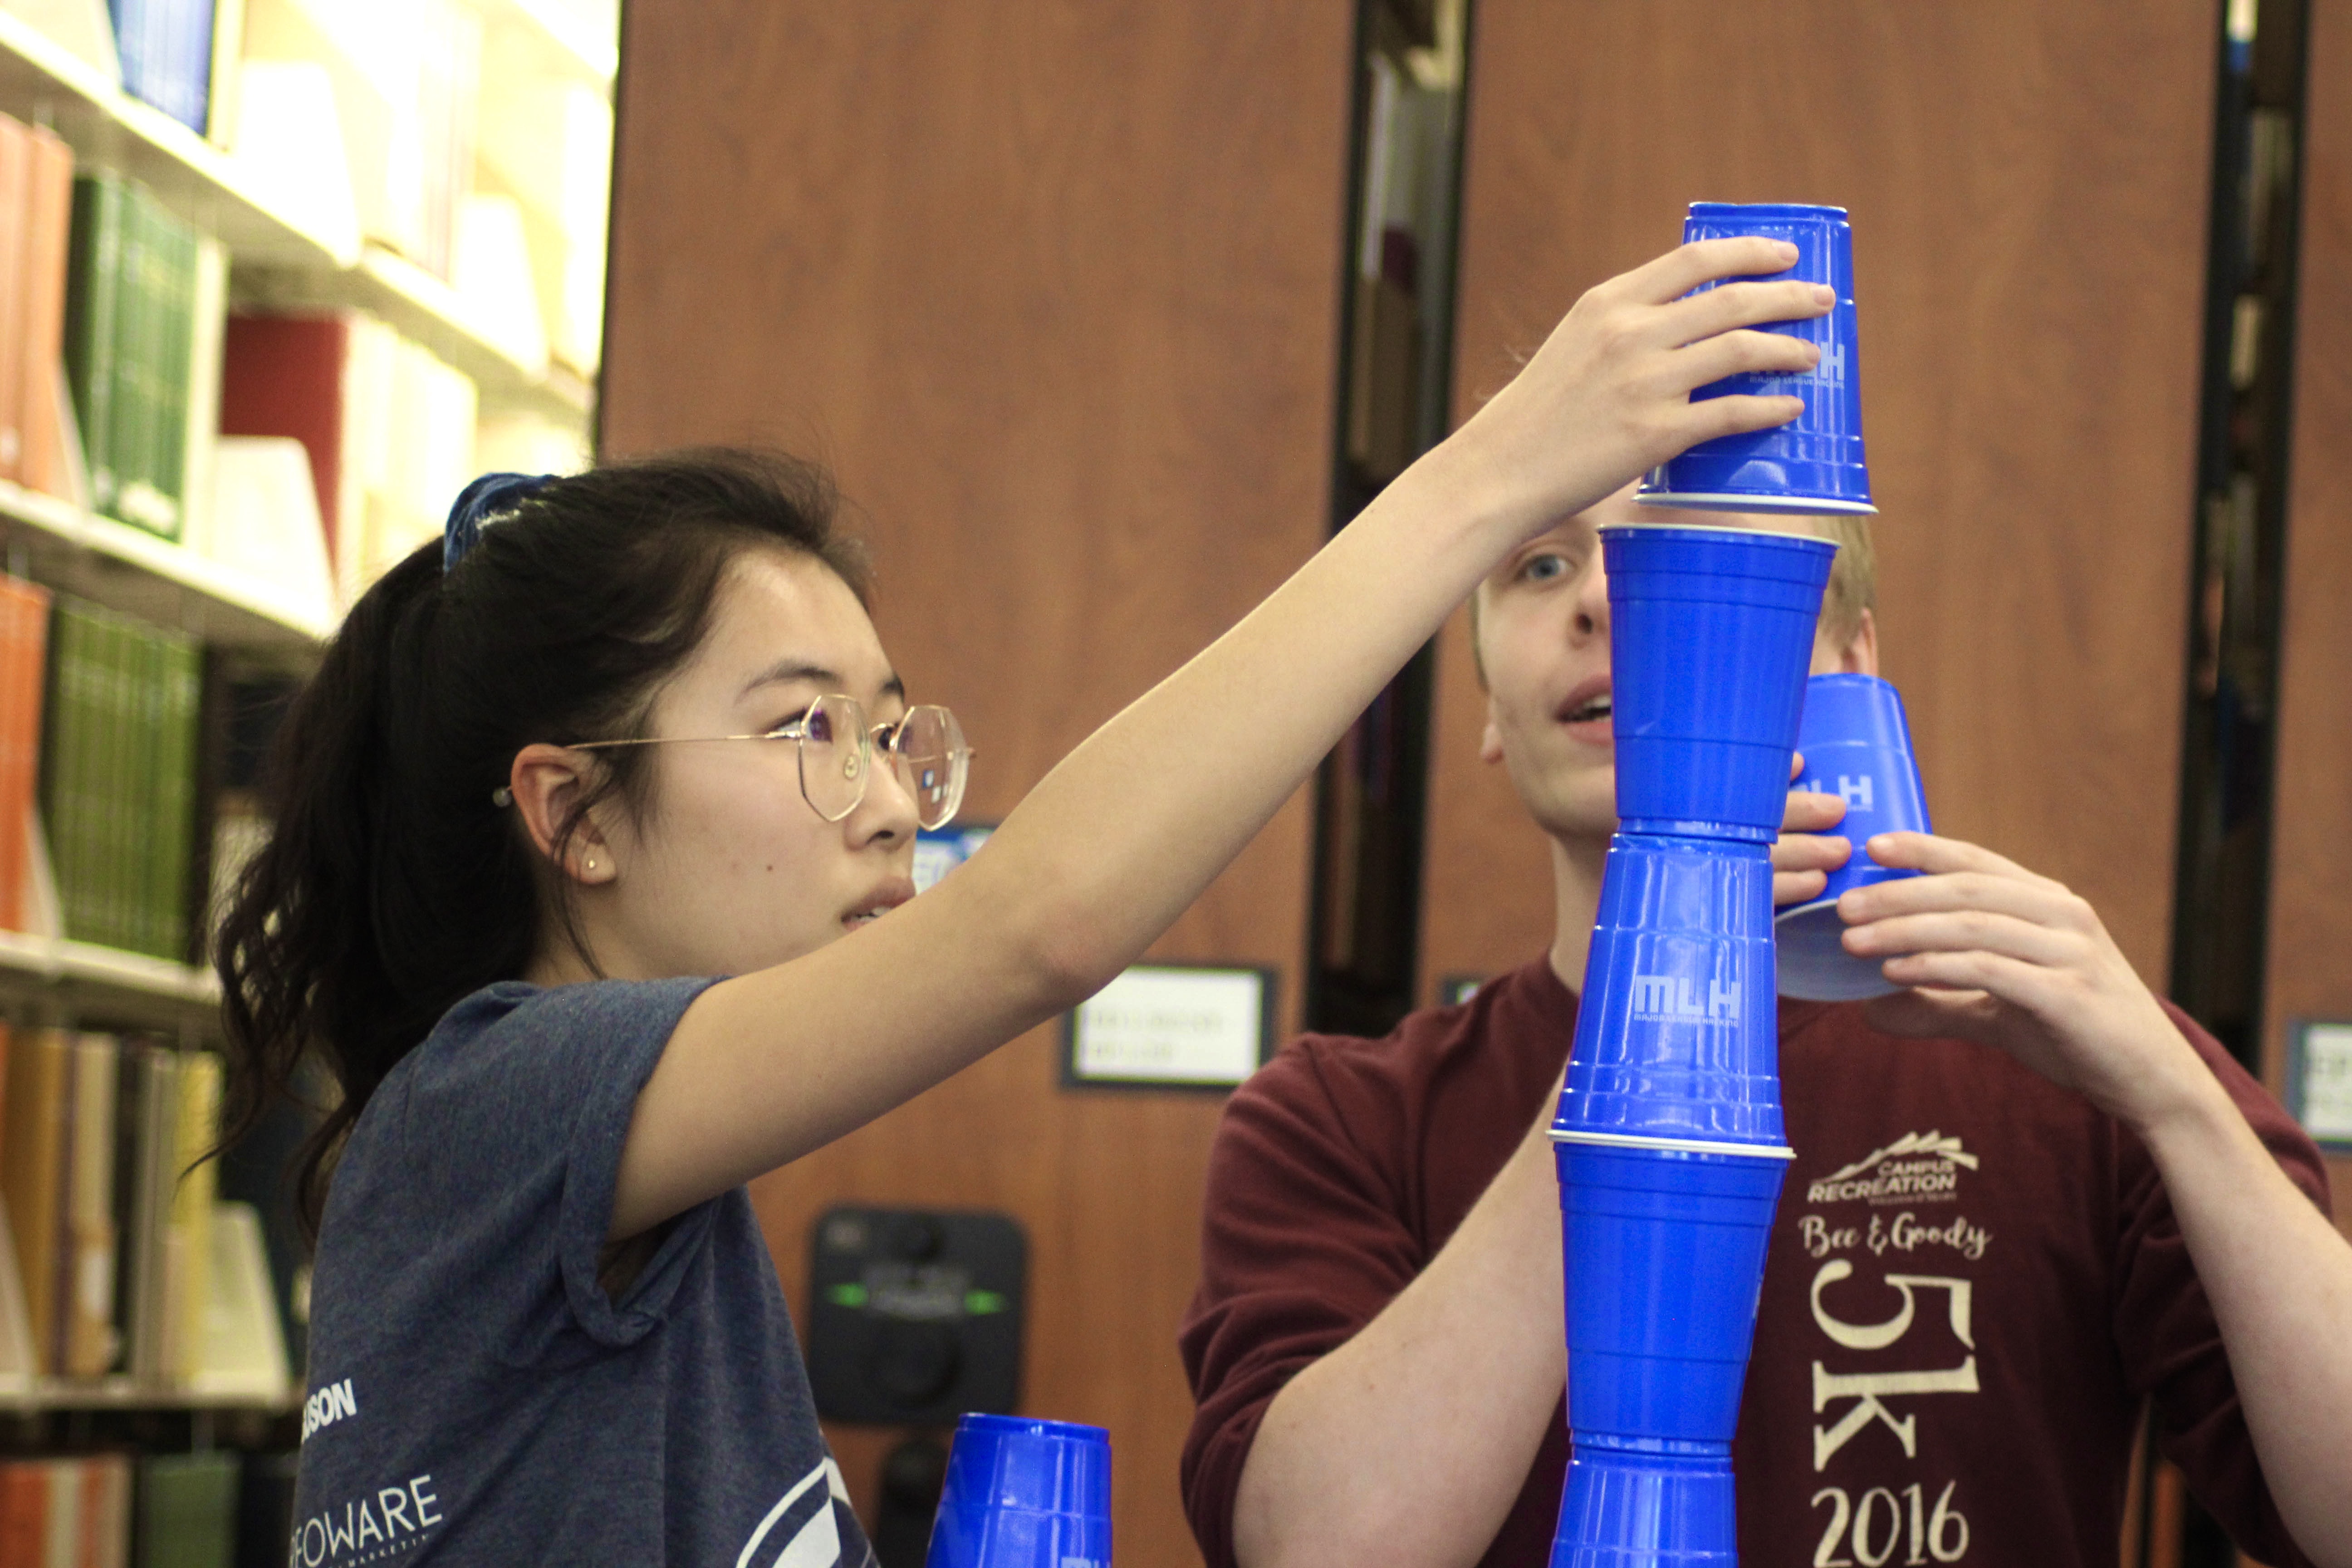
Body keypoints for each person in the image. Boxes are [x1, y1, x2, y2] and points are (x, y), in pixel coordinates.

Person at [212, 240, 1832, 1565]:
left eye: (891, 727)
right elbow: (1041, 925)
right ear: (571, 815)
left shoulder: (626, 1191)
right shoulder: (493, 1104)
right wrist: (1491, 474)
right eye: (804, 731)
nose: (899, 800)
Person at [1178, 487, 2352, 1568]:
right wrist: (1664, 984)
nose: (1600, 597)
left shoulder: (2076, 1058)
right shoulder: (1339, 1119)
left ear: (1852, 661)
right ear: (1489, 704)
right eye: (1539, 567)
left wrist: (2179, 1105)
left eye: (1685, 544)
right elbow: (1324, 1549)